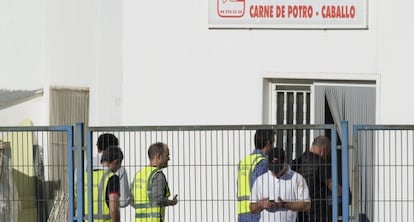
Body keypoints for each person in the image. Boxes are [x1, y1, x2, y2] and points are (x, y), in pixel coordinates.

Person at [250, 147, 311, 222]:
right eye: (273, 169)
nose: (275, 172)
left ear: (285, 161)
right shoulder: (260, 180)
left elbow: (306, 205)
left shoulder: (297, 178)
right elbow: (252, 208)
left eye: (278, 168)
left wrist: (285, 204)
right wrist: (261, 204)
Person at [292, 135, 343, 222]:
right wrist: (343, 192)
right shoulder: (322, 164)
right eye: (327, 153)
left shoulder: (297, 162)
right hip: (317, 213)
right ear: (323, 150)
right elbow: (334, 188)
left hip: (298, 211)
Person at [130, 142, 178, 222]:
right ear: (159, 157)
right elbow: (158, 199)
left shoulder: (139, 174)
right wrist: (171, 202)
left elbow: (131, 199)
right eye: (167, 156)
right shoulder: (157, 175)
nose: (168, 159)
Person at [237, 129, 275, 222]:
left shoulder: (244, 161)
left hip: (242, 212)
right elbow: (259, 188)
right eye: (273, 142)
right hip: (256, 212)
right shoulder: (262, 162)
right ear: (268, 143)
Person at [95, 133, 131, 207]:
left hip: (83, 216)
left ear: (98, 147)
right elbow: (123, 201)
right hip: (107, 215)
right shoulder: (118, 167)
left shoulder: (83, 164)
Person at [100, 146, 124, 222]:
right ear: (115, 162)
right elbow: (113, 209)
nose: (119, 167)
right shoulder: (112, 178)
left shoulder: (86, 176)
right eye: (119, 164)